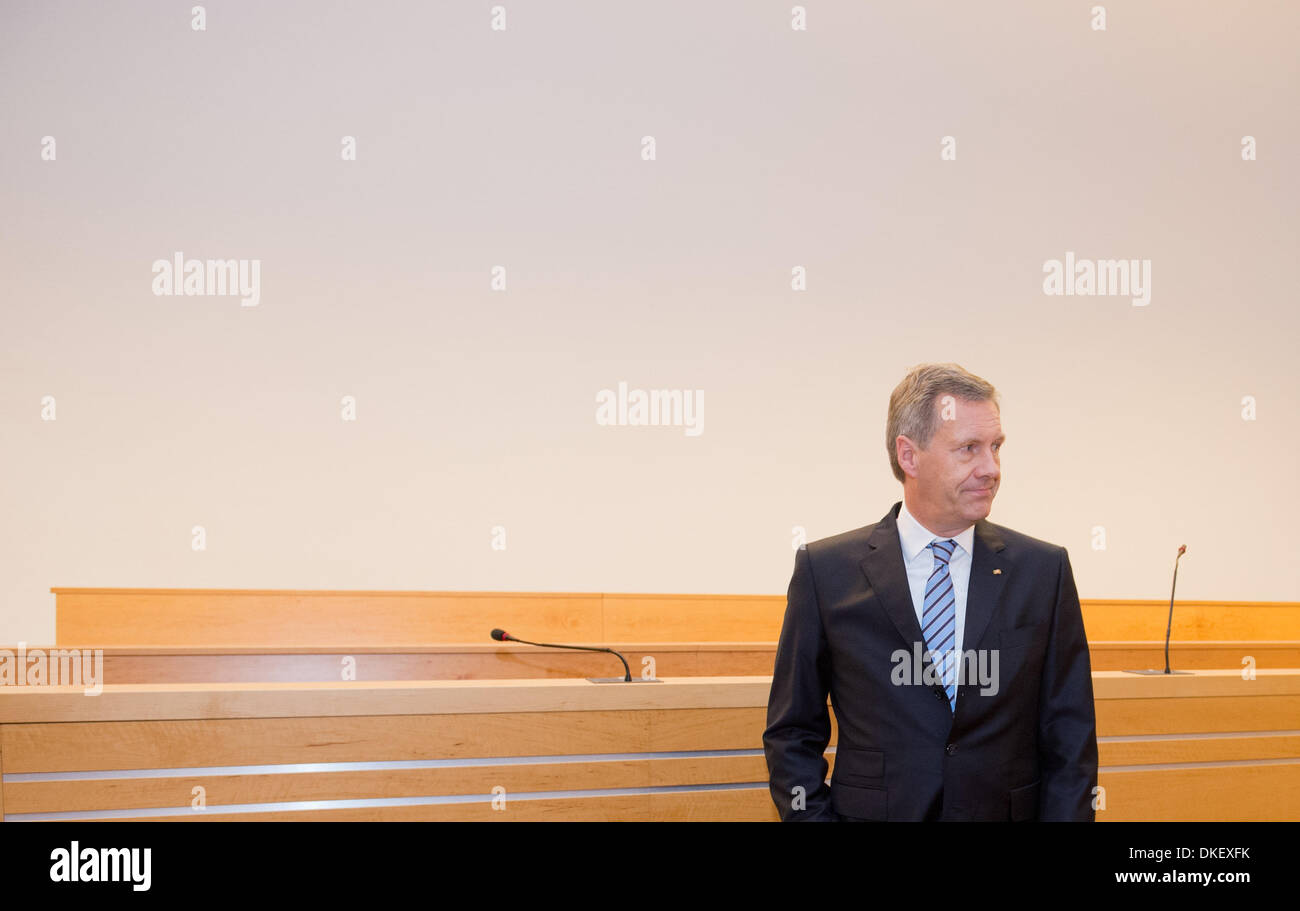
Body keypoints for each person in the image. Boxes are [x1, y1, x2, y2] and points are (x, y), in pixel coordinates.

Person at [763, 363, 1098, 821]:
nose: (991, 469)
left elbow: (1070, 736)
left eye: (996, 447)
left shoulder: (1044, 570)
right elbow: (792, 732)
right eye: (969, 449)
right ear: (909, 455)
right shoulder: (826, 573)